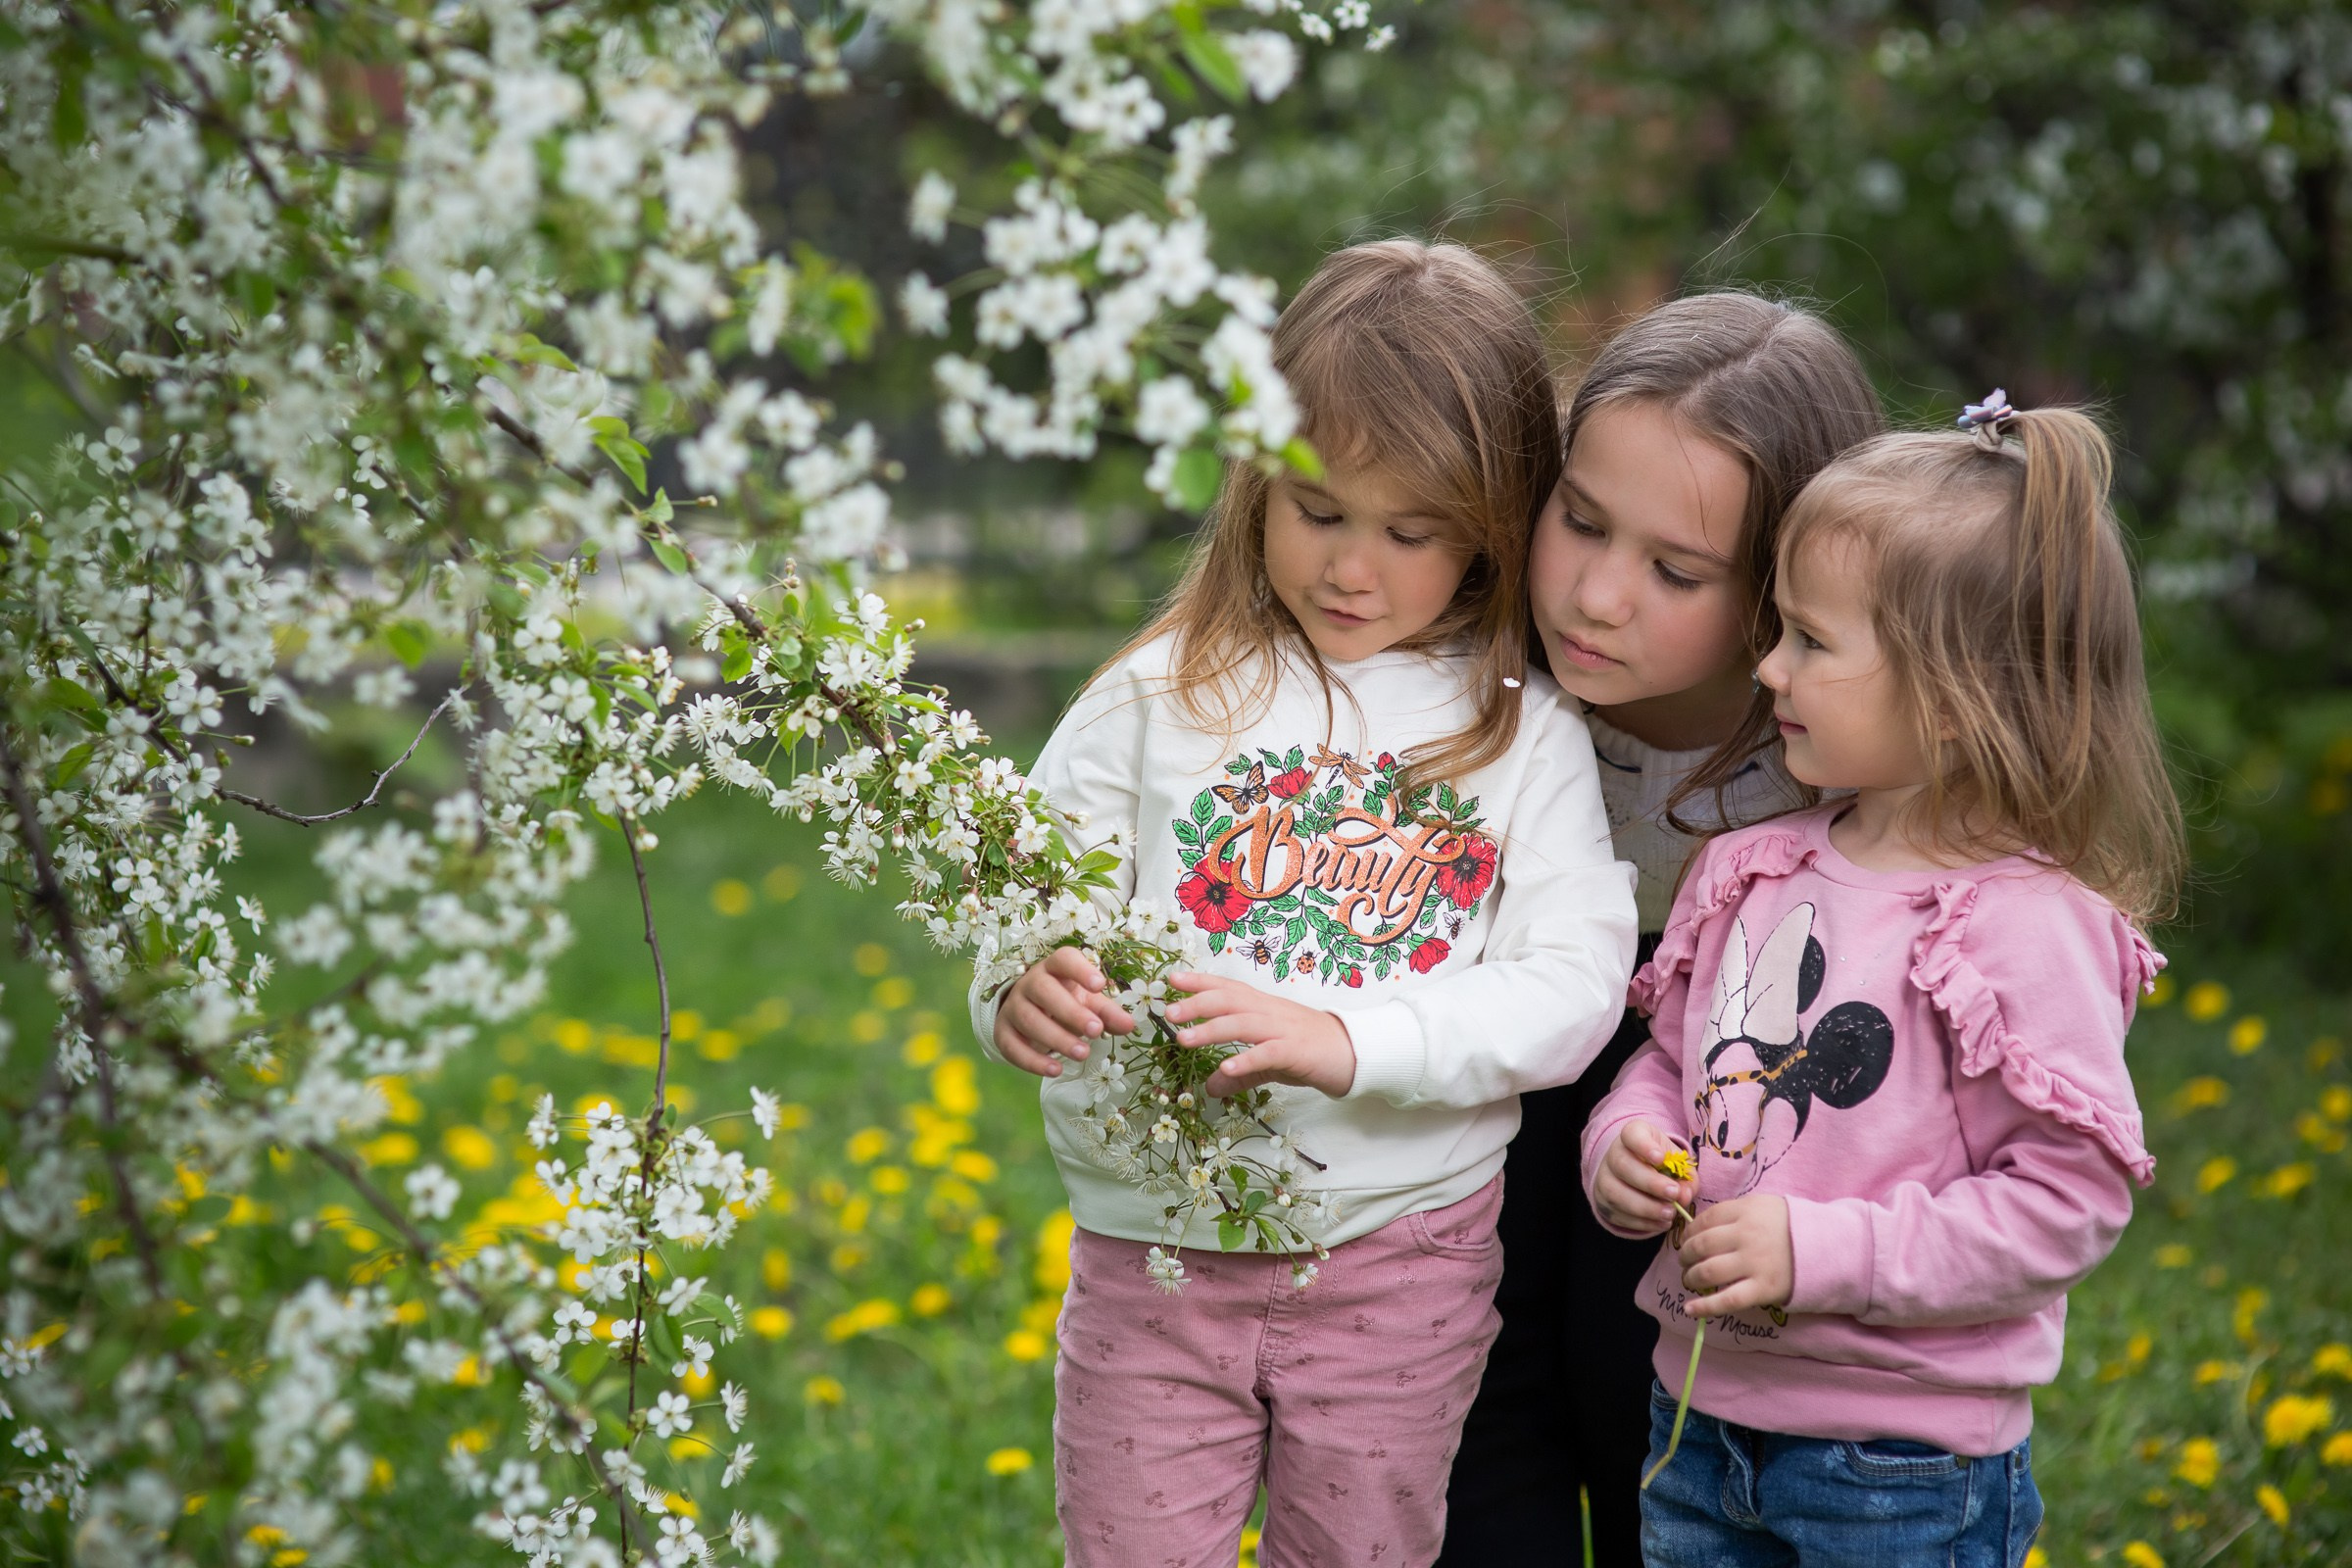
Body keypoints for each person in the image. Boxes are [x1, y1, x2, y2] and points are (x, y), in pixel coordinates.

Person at [969, 238, 1639, 1567]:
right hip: (1151, 1262)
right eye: (1320, 510)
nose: (1352, 568)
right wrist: (1020, 980)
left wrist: (1353, 1042)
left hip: (1398, 1263)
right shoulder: (1160, 695)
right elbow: (1024, 887)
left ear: (1490, 534)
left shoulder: (1516, 734)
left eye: (1412, 533)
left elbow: (1570, 987)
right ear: (1257, 481)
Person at [1586, 398, 2182, 1565]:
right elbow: (1671, 1063)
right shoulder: (1754, 868)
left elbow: (2065, 1202)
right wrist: (1627, 1138)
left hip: (1900, 1469)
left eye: (1811, 641)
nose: (1769, 667)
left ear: (1958, 695)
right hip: (1699, 1425)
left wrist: (1824, 1254)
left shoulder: (2022, 927)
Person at [1441, 292, 1885, 1566]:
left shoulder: (1835, 785)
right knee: (1477, 1406)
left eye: (1675, 572)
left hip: (1699, 1150)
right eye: (1578, 521)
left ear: (1778, 591)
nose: (1595, 592)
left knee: (1648, 1428)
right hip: (1487, 1100)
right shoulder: (1479, 701)